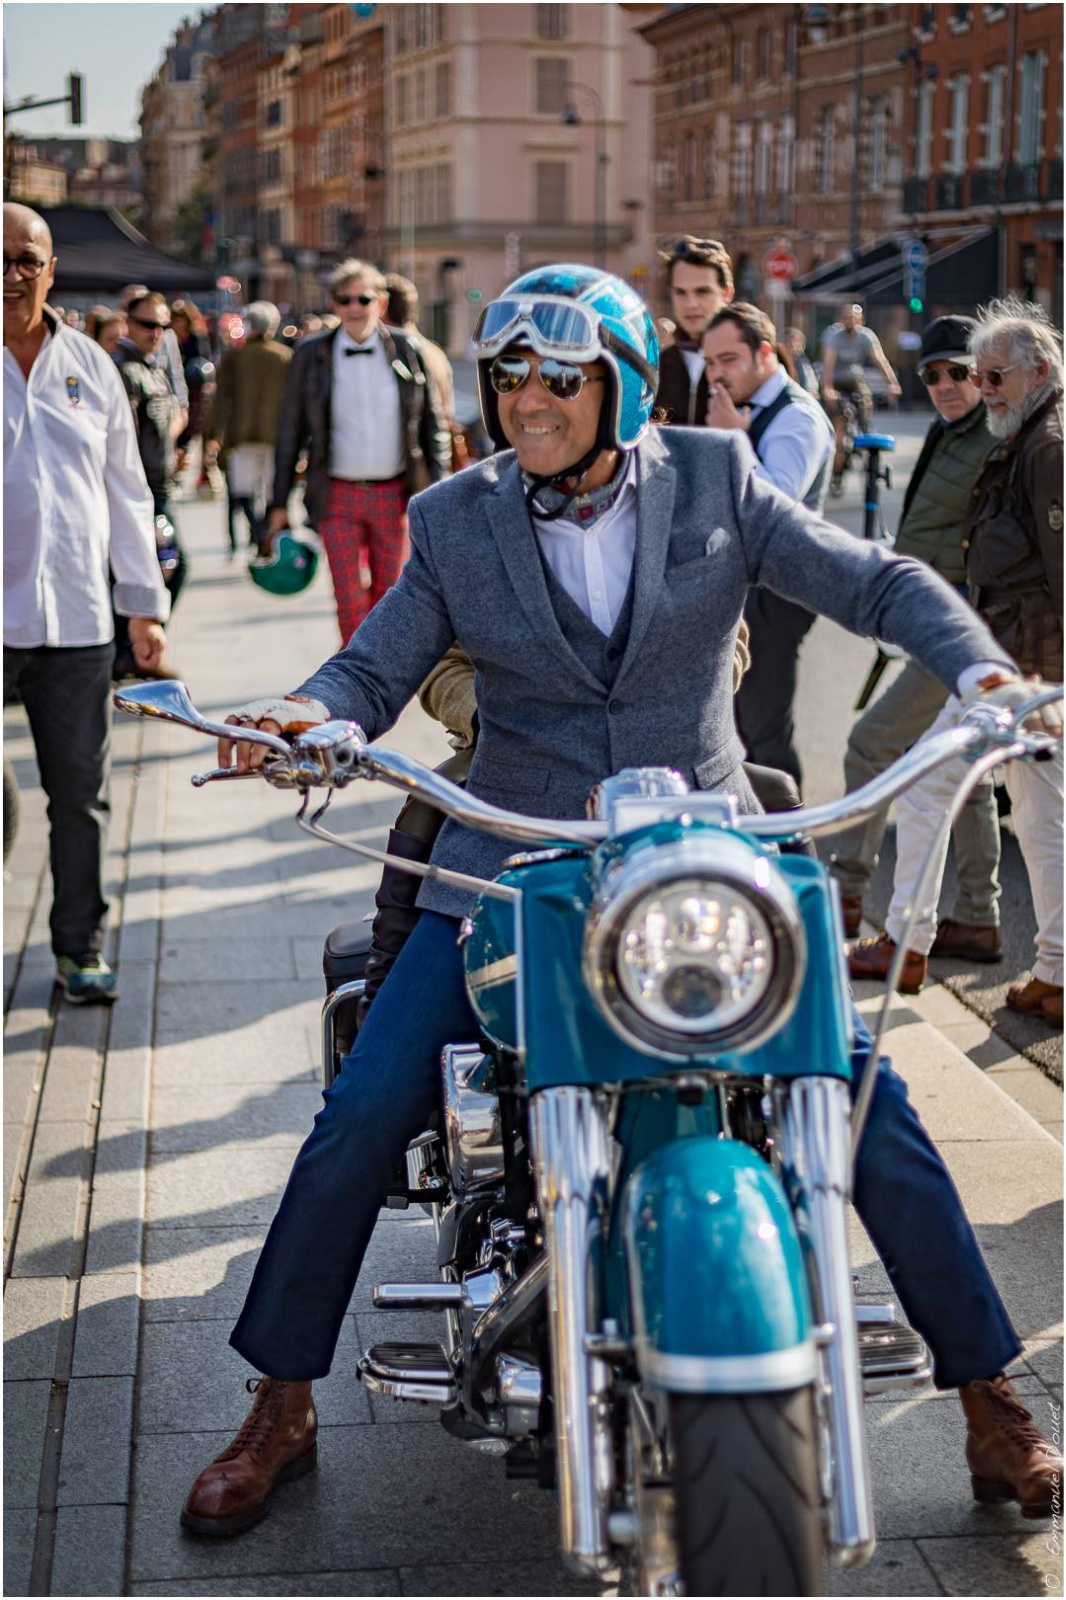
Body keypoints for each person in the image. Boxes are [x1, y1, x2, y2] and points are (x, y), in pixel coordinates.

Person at [178, 265, 1062, 1538]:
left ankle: (990, 1400)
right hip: (512, 863)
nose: (527, 399)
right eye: (510, 375)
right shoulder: (456, 514)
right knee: (363, 1108)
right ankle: (280, 1401)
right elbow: (374, 664)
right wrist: (306, 717)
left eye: (560, 375)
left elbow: (870, 578)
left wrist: (979, 669)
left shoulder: (711, 477)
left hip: (698, 857)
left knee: (863, 1095)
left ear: (624, 384)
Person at [850, 299, 1063, 1020]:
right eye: (977, 375)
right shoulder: (1025, 435)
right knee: (1029, 814)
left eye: (991, 375)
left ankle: (911, 942)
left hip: (1028, 670)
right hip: (1008, 662)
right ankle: (1036, 967)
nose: (982, 387)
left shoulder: (1049, 447)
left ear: (1036, 371)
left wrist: (1053, 685)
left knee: (940, 789)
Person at [3, 203, 170, 1003]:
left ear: (50, 269)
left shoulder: (90, 368)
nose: (12, 274)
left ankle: (79, 949)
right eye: (0, 259)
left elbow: (127, 492)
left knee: (81, 796)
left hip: (74, 618)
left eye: (26, 259)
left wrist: (145, 604)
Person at [831, 317, 1000, 947]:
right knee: (966, 768)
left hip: (960, 627)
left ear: (983, 374)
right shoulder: (948, 431)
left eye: (960, 372)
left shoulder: (995, 437)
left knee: (871, 745)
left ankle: (846, 896)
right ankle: (980, 917)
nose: (947, 385)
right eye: (933, 374)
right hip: (933, 621)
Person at [268, 258, 451, 642]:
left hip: (395, 493)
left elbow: (433, 427)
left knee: (390, 599)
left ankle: (382, 685)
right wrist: (278, 502)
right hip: (336, 496)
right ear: (333, 304)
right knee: (349, 599)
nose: (354, 308)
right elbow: (289, 432)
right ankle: (355, 686)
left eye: (363, 299)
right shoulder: (311, 354)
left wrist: (439, 494)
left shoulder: (407, 350)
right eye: (344, 299)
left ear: (380, 304)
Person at [701, 302, 835, 789]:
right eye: (710, 362)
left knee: (765, 733)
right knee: (731, 729)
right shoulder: (737, 406)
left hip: (778, 595)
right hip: (741, 587)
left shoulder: (799, 417)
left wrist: (733, 440)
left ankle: (791, 849)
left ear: (763, 353)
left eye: (728, 361)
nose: (716, 374)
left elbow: (773, 502)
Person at [112, 292, 188, 672]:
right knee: (170, 566)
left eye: (162, 326)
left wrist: (174, 446)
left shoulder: (152, 367)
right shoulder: (123, 371)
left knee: (166, 567)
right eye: (147, 325)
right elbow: (119, 439)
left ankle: (138, 650)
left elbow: (168, 417)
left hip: (160, 486)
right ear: (127, 323)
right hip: (139, 491)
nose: (155, 333)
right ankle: (136, 651)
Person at [204, 300, 292, 555]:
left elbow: (221, 399)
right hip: (274, 434)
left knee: (243, 490)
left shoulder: (236, 356)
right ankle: (262, 536)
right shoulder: (285, 356)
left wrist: (212, 434)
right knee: (268, 490)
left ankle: (258, 533)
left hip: (241, 434)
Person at [654, 235, 734, 425]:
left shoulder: (749, 360)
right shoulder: (658, 365)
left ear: (727, 293)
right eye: (680, 292)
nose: (690, 304)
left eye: (702, 292)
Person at [821, 303, 900, 492]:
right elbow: (828, 365)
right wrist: (828, 389)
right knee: (840, 421)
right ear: (841, 320)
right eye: (846, 317)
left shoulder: (866, 335)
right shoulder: (833, 336)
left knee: (865, 401)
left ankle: (865, 429)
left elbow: (879, 359)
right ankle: (837, 467)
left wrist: (893, 383)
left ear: (861, 320)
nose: (850, 321)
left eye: (854, 317)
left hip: (854, 378)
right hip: (836, 379)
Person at [785, 326, 819, 397]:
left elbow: (811, 385)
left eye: (796, 342)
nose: (793, 345)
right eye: (789, 342)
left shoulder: (803, 363)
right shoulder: (777, 361)